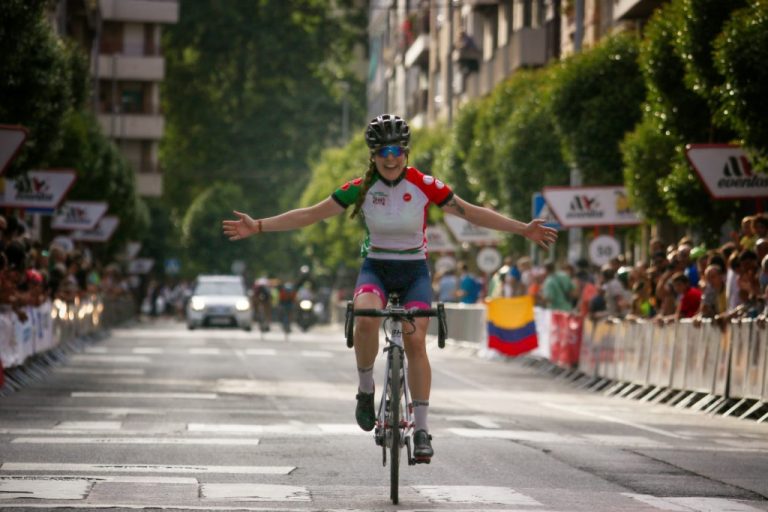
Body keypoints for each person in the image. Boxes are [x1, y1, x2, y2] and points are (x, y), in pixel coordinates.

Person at [222, 113, 557, 461]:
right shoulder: (361, 189)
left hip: (414, 272)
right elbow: (310, 214)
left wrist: (522, 229)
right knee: (366, 317)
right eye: (383, 152)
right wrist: (259, 226)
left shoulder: (425, 184)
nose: (391, 157)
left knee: (415, 340)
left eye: (397, 150)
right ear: (373, 156)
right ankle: (366, 389)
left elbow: (471, 213)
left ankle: (423, 429)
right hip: (376, 269)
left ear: (406, 153)